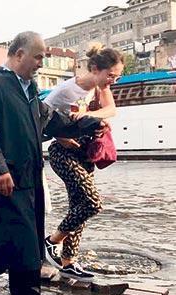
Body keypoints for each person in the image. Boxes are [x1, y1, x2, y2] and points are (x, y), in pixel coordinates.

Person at [0, 31, 106, 295]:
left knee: (29, 242)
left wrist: (87, 124)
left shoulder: (27, 89)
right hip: (3, 181)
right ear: (19, 54)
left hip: (28, 178)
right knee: (5, 241)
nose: (41, 63)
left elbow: (51, 120)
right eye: (38, 56)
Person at [43, 44, 124, 282]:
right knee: (92, 203)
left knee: (78, 208)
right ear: (95, 69)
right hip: (63, 153)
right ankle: (51, 241)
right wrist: (61, 137)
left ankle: (68, 263)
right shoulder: (65, 91)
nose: (113, 81)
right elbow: (41, 120)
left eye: (117, 77)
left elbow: (111, 110)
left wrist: (92, 117)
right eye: (110, 75)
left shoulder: (100, 88)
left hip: (86, 154)